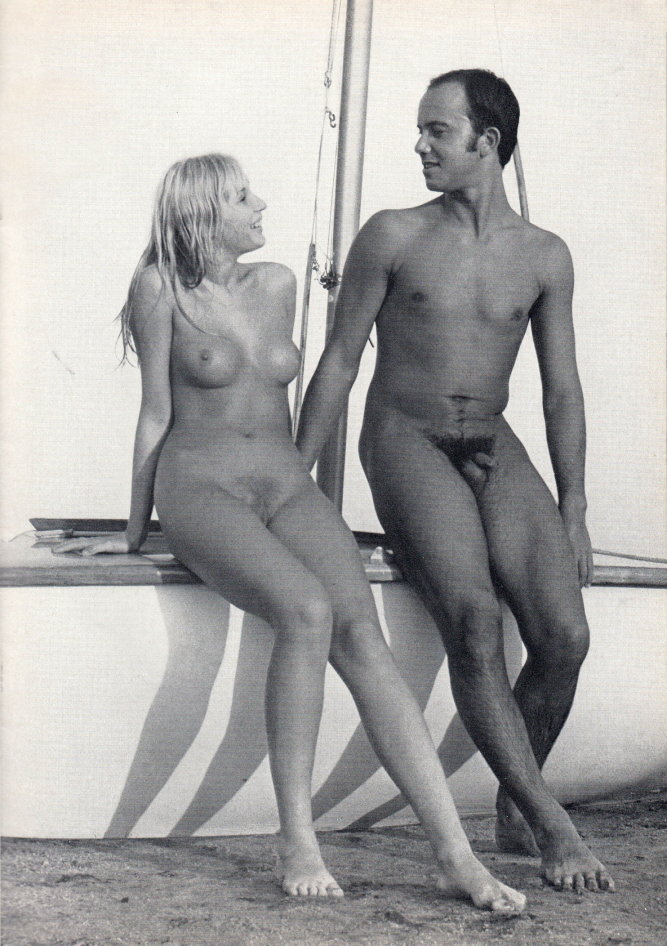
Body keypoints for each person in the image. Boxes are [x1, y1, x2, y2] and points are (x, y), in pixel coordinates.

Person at [53, 153, 526, 913]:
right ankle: (297, 840)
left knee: (362, 635)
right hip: (199, 483)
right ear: (204, 212)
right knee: (305, 611)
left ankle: (453, 854)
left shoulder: (276, 285)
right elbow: (154, 413)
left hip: (284, 483)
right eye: (243, 197)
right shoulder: (159, 289)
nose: (261, 205)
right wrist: (136, 531)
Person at [296, 70, 615, 894]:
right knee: (473, 623)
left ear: (488, 141)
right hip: (404, 436)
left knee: (564, 638)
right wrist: (296, 483)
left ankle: (515, 798)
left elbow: (561, 390)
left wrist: (574, 507)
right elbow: (338, 362)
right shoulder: (392, 234)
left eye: (437, 130)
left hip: (491, 440)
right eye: (421, 129)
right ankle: (549, 822)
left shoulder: (544, 255)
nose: (420, 145)